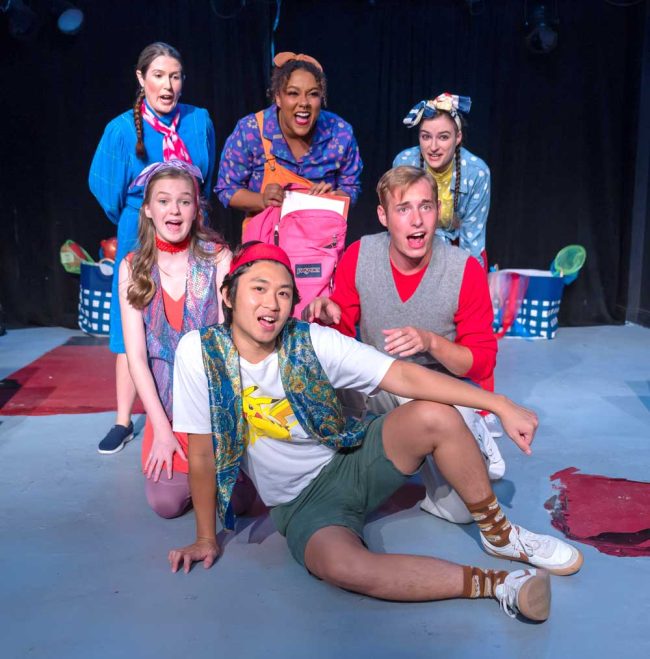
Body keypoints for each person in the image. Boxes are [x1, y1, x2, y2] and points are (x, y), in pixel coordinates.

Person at [167, 242, 583, 623]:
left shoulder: (311, 341)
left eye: (283, 293)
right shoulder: (199, 353)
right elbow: (202, 454)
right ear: (228, 295)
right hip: (302, 505)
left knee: (434, 415)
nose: (272, 304)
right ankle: (499, 584)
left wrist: (499, 404)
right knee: (343, 568)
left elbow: (400, 374)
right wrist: (205, 537)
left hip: (351, 459)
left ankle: (500, 533)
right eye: (258, 288)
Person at [305, 165, 499, 523]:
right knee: (324, 373)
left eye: (425, 207)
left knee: (462, 513)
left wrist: (431, 342)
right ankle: (342, 466)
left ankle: (453, 441)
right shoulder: (359, 255)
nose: (417, 221)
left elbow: (481, 363)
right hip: (377, 387)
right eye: (403, 209)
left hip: (440, 396)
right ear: (383, 215)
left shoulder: (464, 269)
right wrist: (326, 315)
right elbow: (341, 336)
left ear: (437, 211)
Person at [89, 42, 216, 455]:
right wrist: (141, 215)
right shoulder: (121, 129)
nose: (168, 85)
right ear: (141, 79)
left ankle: (202, 406)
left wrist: (185, 212)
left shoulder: (199, 121)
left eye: (175, 76)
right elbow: (105, 190)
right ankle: (124, 419)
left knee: (197, 316)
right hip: (139, 230)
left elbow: (206, 178)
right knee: (132, 329)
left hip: (190, 227)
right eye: (159, 75)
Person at [119, 161, 230, 517]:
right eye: (164, 201)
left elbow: (232, 343)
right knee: (166, 504)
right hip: (165, 407)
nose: (174, 210)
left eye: (184, 201)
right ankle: (169, 442)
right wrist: (161, 430)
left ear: (196, 209)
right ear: (148, 209)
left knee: (238, 502)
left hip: (214, 402)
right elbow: (136, 356)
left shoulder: (217, 258)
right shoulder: (132, 266)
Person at [215, 52, 362, 224]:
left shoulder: (340, 133)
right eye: (293, 93)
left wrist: (333, 199)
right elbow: (227, 189)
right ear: (278, 97)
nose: (304, 102)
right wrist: (261, 200)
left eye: (313, 94)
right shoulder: (250, 131)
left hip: (320, 240)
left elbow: (351, 187)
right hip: (266, 241)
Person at [393, 92, 490, 268]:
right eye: (426, 136)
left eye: (443, 137)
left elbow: (472, 240)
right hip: (414, 248)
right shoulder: (404, 163)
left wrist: (464, 281)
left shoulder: (477, 172)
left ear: (458, 137)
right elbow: (399, 225)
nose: (433, 147)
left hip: (460, 249)